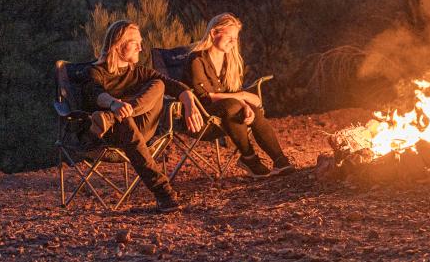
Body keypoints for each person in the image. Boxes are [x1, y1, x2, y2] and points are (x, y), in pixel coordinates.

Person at [84, 20, 195, 212]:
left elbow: (175, 86)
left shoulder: (139, 72)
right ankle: (163, 193)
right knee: (125, 120)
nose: (141, 48)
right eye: (135, 43)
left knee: (158, 85)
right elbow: (94, 92)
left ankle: (111, 119)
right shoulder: (95, 71)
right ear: (119, 45)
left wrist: (190, 105)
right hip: (113, 135)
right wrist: (114, 103)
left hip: (134, 127)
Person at [185, 13, 294, 176]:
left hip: (228, 117)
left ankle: (280, 160)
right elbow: (207, 97)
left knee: (252, 110)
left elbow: (235, 95)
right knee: (234, 105)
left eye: (235, 38)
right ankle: (249, 158)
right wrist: (243, 98)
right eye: (229, 37)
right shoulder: (196, 60)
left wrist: (244, 101)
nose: (233, 42)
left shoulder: (230, 61)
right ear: (214, 33)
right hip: (202, 120)